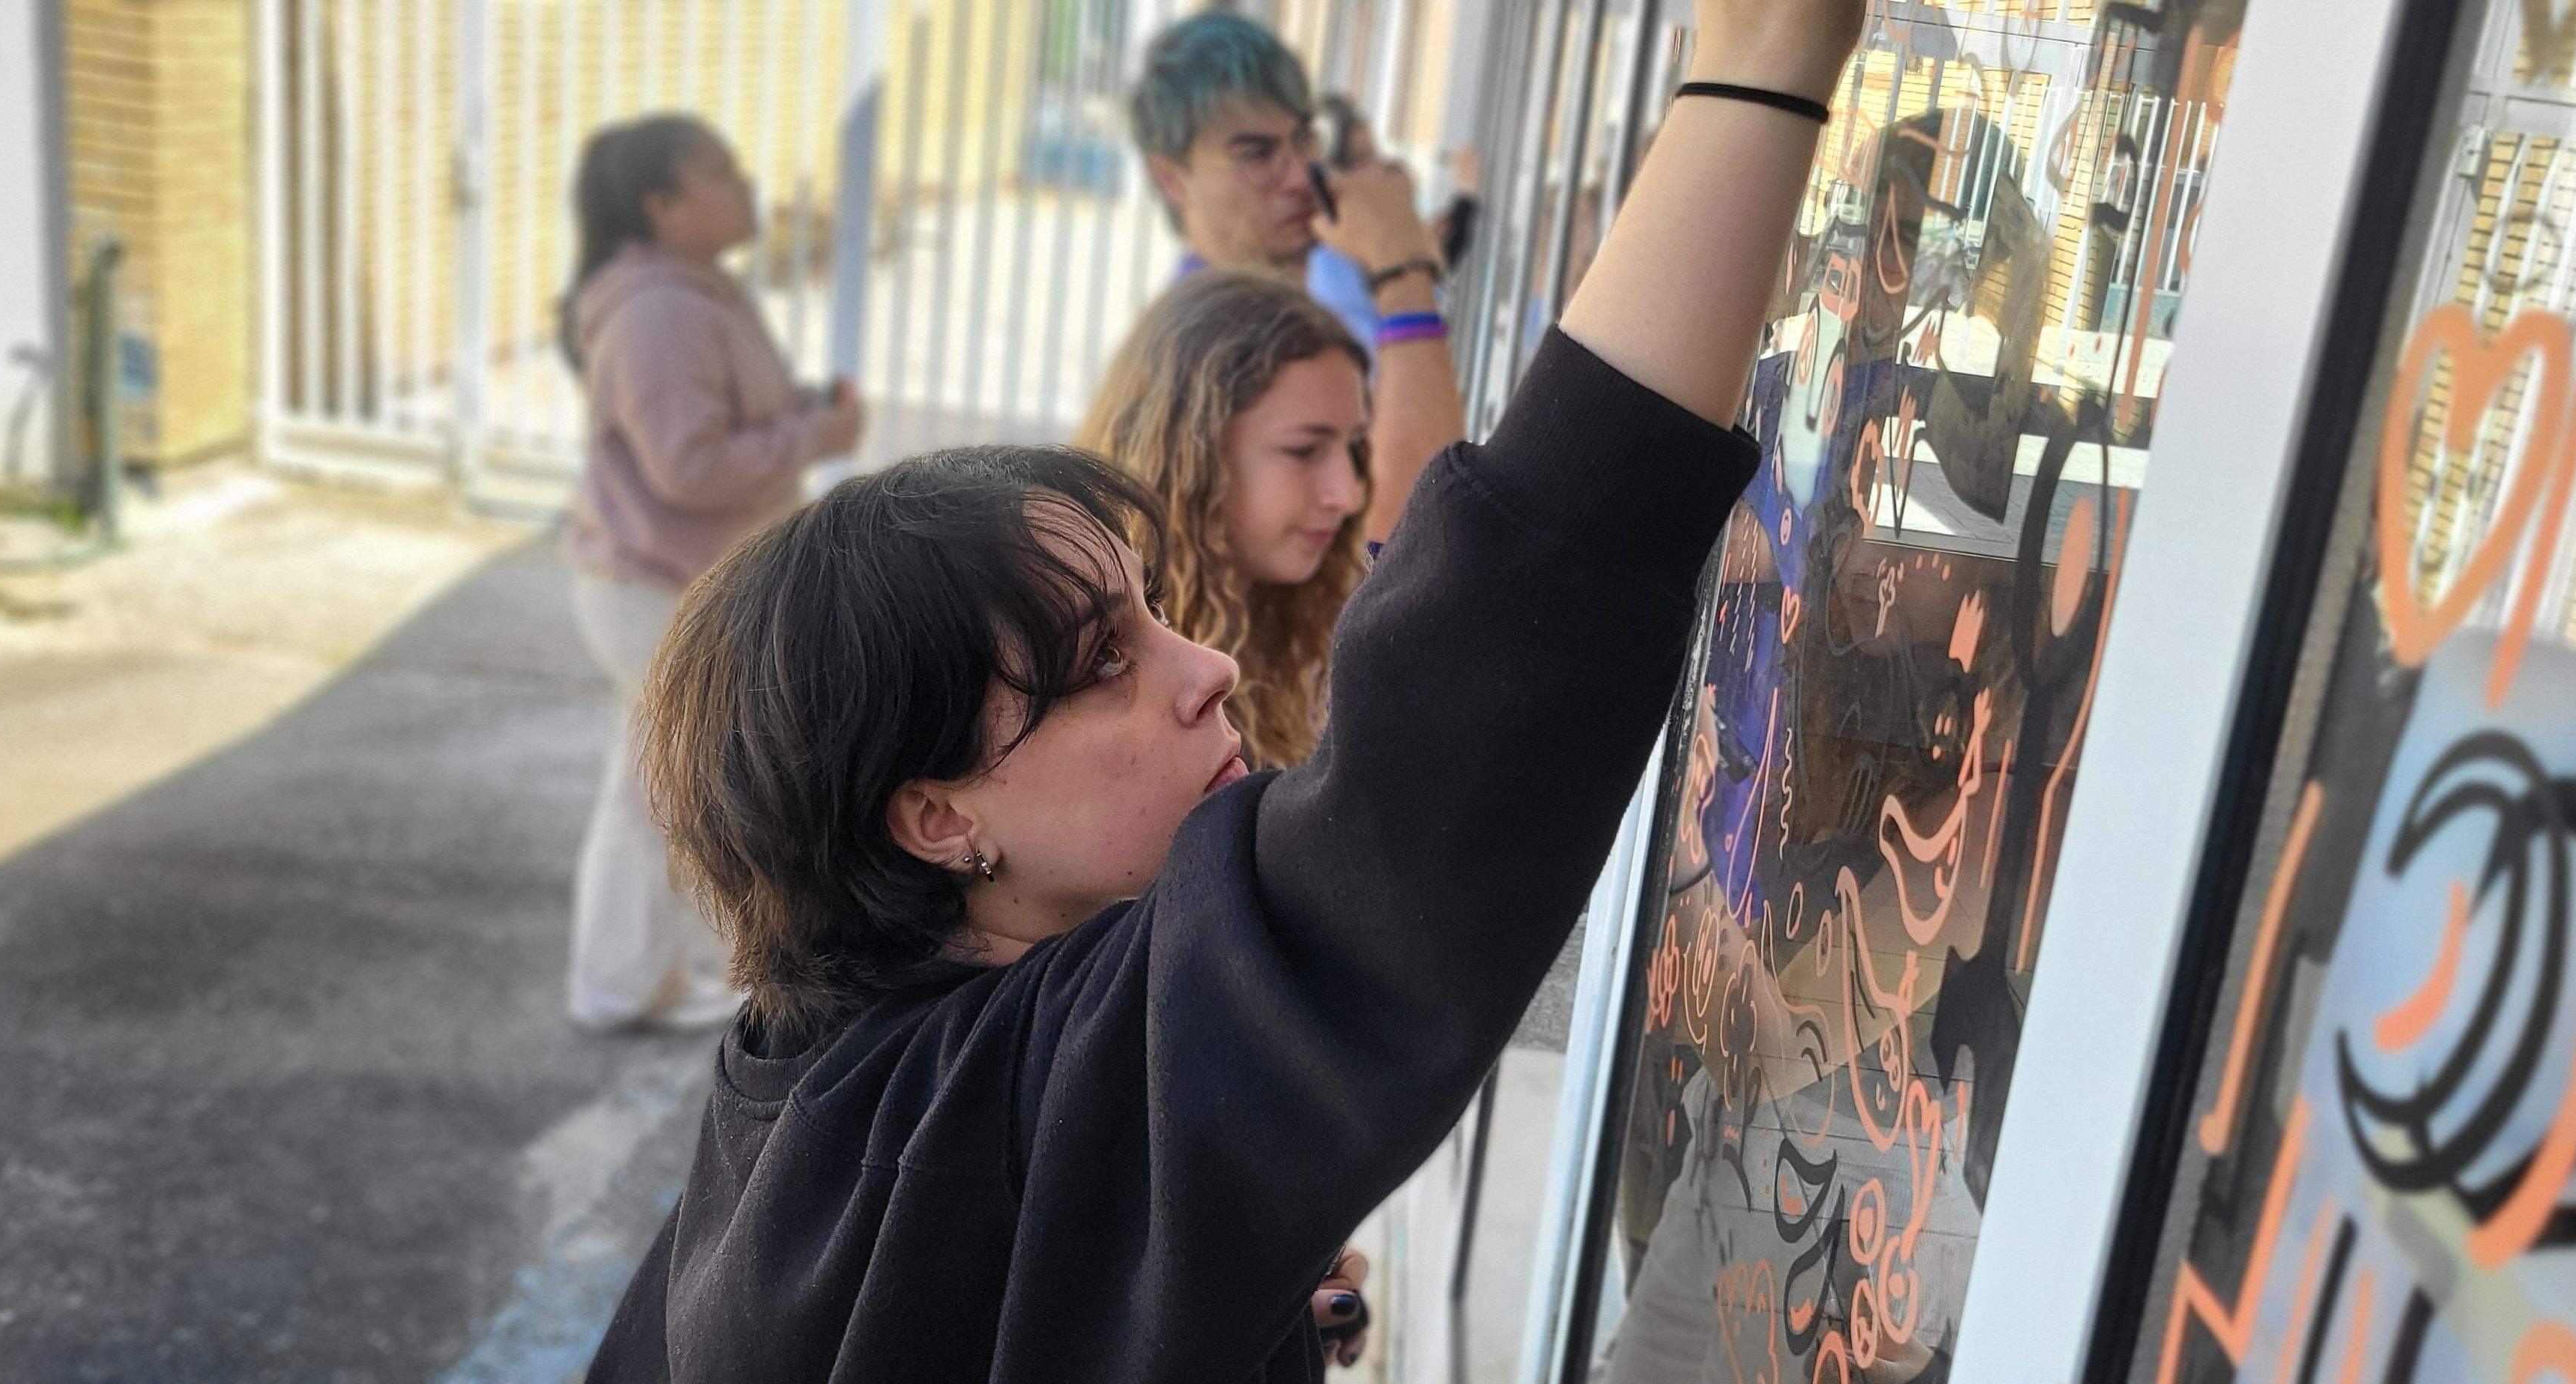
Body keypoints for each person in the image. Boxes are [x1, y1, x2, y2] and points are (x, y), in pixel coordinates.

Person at [586, 0, 1861, 1377]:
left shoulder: (806, 1074)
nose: (1208, 668)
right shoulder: (992, 1112)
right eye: (1102, 665)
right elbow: (1451, 742)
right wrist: (1759, 69)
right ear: (937, 816)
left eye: (1155, 614)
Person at [557, 113, 864, 1031]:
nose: (744, 185)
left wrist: (800, 414)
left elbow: (718, 422)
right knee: (669, 792)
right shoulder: (660, 310)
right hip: (656, 589)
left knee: (649, 790)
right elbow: (686, 467)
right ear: (661, 205)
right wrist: (815, 437)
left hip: (669, 585)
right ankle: (623, 984)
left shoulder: (690, 293)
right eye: (719, 171)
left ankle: (629, 981)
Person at [1130, 13, 1463, 544]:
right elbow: (1411, 533)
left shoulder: (1307, 292)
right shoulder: (1212, 347)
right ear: (1172, 178)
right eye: (1256, 154)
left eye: (1304, 139)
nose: (1300, 177)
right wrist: (1402, 267)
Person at [1076, 270, 1369, 769]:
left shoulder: (1313, 624)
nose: (1348, 494)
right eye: (1304, 450)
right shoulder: (1094, 664)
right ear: (1191, 458)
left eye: (1354, 447)